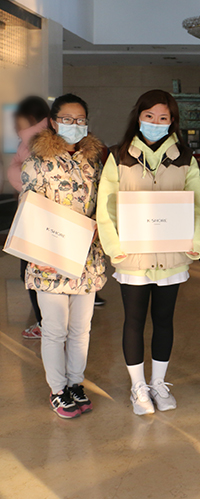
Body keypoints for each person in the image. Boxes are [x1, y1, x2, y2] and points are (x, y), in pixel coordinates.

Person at [96, 89, 200, 416]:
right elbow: (106, 205)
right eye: (150, 116)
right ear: (139, 117)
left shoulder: (185, 158)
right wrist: (114, 247)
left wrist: (195, 243)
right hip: (132, 257)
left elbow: (198, 205)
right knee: (133, 321)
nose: (156, 123)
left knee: (164, 321)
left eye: (163, 118)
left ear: (172, 122)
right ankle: (138, 387)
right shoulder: (119, 156)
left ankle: (158, 383)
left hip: (172, 256)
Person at [20, 93, 106, 418]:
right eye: (67, 119)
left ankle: (75, 383)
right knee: (55, 329)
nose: (74, 125)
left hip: (86, 259)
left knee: (81, 330)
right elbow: (29, 211)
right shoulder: (38, 162)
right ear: (54, 123)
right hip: (49, 258)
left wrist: (100, 226)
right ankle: (58, 390)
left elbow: (103, 205)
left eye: (80, 119)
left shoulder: (93, 162)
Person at [9, 96, 50, 339]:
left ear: (32, 119)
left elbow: (27, 179)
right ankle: (47, 323)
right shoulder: (34, 141)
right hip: (34, 216)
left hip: (37, 218)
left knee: (31, 273)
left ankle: (45, 324)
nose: (15, 127)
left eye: (19, 122)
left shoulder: (34, 143)